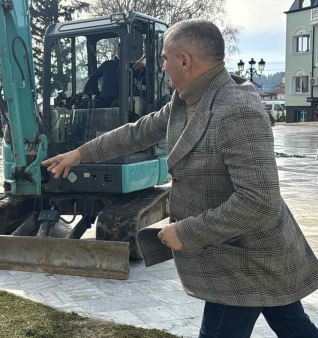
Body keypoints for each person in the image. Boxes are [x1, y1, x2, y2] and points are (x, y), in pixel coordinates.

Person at [42, 19, 318, 338]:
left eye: (164, 58)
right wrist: (80, 154)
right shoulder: (190, 97)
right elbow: (140, 131)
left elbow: (259, 203)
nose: (161, 66)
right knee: (294, 327)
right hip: (245, 254)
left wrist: (186, 232)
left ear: (184, 60)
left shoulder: (237, 110)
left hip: (245, 257)